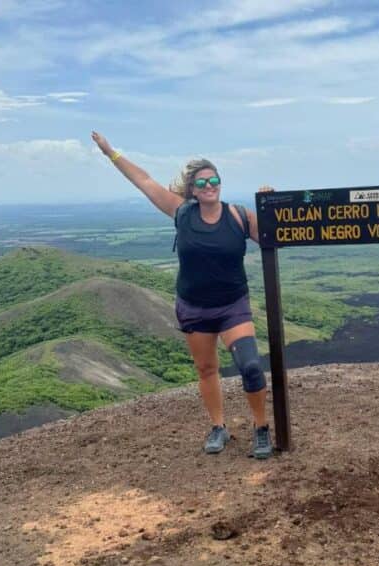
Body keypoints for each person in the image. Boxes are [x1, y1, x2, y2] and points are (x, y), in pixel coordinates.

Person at [91, 131, 273, 459]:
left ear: (220, 181)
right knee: (206, 370)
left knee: (250, 366)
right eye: (201, 183)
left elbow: (278, 236)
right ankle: (219, 427)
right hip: (194, 308)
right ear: (191, 189)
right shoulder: (181, 213)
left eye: (213, 179)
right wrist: (110, 153)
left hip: (233, 305)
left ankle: (261, 428)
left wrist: (270, 205)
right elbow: (144, 180)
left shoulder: (240, 216)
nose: (208, 186)